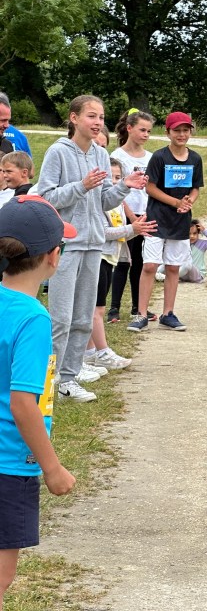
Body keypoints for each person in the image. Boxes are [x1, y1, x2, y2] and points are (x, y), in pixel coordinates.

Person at [36, 95, 146, 401]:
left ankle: (69, 381)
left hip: (94, 244)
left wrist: (125, 186)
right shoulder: (58, 152)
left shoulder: (100, 153)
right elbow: (46, 197)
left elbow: (105, 201)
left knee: (83, 317)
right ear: (74, 118)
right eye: (91, 116)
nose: (98, 122)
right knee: (61, 318)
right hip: (66, 245)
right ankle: (47, 383)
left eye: (101, 117)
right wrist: (81, 186)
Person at [0, 195, 77, 604]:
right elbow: (22, 404)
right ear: (53, 256)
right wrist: (53, 468)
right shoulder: (32, 317)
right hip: (8, 463)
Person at [127, 112, 203, 334]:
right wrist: (175, 202)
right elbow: (150, 188)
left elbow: (196, 188)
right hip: (157, 218)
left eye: (185, 130)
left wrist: (188, 202)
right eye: (177, 130)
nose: (181, 134)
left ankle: (168, 313)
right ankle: (141, 314)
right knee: (150, 265)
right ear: (167, 132)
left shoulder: (195, 159)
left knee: (173, 267)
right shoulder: (160, 157)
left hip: (180, 221)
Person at [86, 160, 154, 372]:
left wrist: (136, 229)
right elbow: (102, 232)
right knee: (96, 309)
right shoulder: (99, 202)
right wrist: (131, 229)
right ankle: (102, 352)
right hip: (98, 256)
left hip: (109, 258)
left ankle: (89, 352)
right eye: (110, 178)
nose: (114, 182)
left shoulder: (117, 204)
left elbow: (121, 233)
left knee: (95, 308)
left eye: (118, 178)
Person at [109, 109, 156, 323]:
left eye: (149, 131)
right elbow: (117, 189)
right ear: (129, 128)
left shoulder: (151, 157)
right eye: (142, 130)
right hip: (125, 214)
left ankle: (138, 307)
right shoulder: (117, 156)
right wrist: (131, 216)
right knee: (123, 261)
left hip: (145, 214)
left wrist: (147, 213)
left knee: (140, 261)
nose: (146, 135)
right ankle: (114, 309)